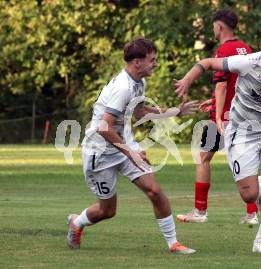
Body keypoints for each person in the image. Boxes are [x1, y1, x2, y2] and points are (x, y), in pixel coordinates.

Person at [174, 24, 261, 254]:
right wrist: (187, 79)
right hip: (242, 132)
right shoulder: (248, 62)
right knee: (249, 194)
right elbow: (207, 63)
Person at [66, 37, 198, 254]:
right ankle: (77, 222)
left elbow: (140, 112)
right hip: (100, 153)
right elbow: (104, 127)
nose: (155, 63)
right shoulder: (123, 88)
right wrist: (132, 152)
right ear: (137, 62)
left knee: (155, 191)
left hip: (123, 147)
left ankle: (173, 243)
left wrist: (175, 112)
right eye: (152, 60)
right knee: (108, 211)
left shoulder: (139, 82)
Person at [176, 9, 261, 225]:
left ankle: (200, 212)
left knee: (203, 158)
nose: (213, 29)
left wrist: (219, 115)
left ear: (219, 26)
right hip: (245, 113)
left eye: (214, 26)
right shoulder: (246, 48)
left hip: (225, 117)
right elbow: (239, 85)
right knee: (243, 160)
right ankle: (252, 214)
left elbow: (222, 86)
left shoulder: (224, 50)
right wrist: (213, 101)